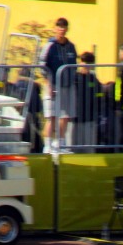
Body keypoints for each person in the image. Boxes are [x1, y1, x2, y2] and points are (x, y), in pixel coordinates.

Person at [38, 16, 77, 153]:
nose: (62, 30)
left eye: (64, 27)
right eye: (59, 27)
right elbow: (42, 67)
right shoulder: (49, 46)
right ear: (55, 29)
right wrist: (48, 84)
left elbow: (74, 65)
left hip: (67, 86)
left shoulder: (71, 46)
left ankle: (60, 142)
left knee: (65, 116)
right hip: (53, 86)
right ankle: (47, 145)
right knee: (51, 116)